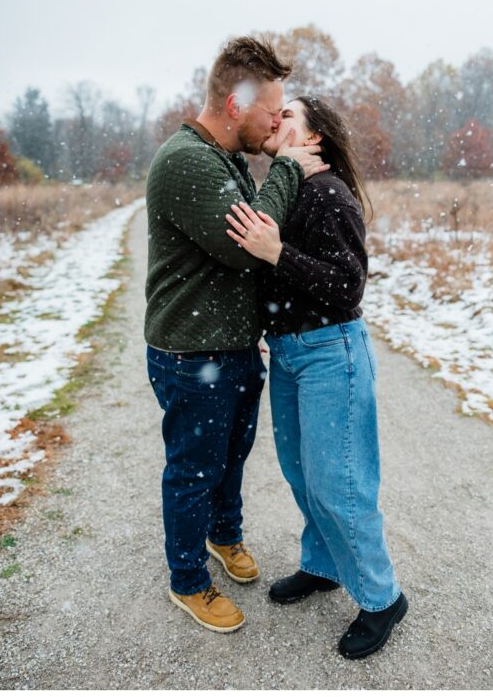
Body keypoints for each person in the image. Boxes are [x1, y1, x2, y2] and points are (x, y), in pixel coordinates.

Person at [144, 35, 329, 633]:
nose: (278, 123)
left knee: (230, 458)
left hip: (231, 349)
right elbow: (247, 245)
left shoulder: (222, 158)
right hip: (192, 354)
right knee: (194, 469)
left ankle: (225, 537)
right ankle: (188, 581)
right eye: (272, 112)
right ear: (234, 106)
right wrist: (288, 168)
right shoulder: (185, 161)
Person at [224, 95, 407, 659]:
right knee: (302, 474)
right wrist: (263, 321)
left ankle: (382, 598)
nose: (276, 122)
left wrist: (278, 253)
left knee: (340, 483)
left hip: (333, 354)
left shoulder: (328, 194)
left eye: (290, 119)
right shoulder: (287, 190)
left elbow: (347, 287)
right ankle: (323, 564)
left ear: (314, 141)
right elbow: (271, 276)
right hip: (289, 353)